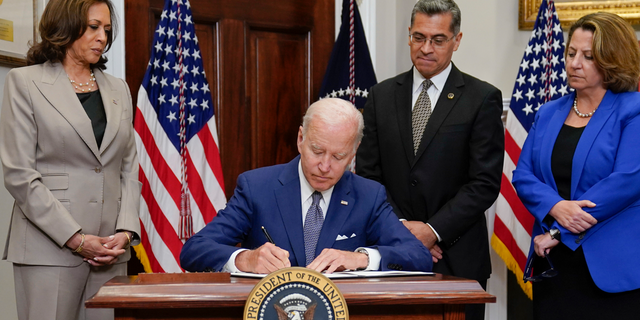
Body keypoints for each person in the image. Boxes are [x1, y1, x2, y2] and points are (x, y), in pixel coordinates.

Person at [355, 1, 503, 319]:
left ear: (456, 40)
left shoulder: (482, 98)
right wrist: (403, 230)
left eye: (438, 39)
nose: (426, 48)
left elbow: (484, 183)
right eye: (419, 37)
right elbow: (368, 175)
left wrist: (432, 231)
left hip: (458, 257)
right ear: (409, 35)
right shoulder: (381, 96)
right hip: (391, 253)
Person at [0, 0, 141, 319]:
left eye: (106, 29)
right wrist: (76, 239)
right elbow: (20, 176)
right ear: (64, 27)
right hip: (49, 251)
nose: (102, 37)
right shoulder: (25, 84)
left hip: (110, 252)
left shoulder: (119, 89)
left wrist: (126, 230)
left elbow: (128, 168)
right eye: (93, 27)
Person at [180, 98, 432, 274]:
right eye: (317, 150)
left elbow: (418, 256)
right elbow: (194, 250)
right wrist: (245, 258)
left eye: (338, 156)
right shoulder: (257, 187)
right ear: (301, 139)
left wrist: (361, 258)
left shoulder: (368, 195)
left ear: (354, 151)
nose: (324, 166)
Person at [512, 12, 640, 320]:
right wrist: (556, 206)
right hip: (555, 268)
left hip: (611, 272)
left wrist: (557, 232)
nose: (574, 63)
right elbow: (523, 176)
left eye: (587, 56)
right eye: (571, 54)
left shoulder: (632, 110)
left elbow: (625, 183)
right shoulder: (548, 112)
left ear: (612, 59)